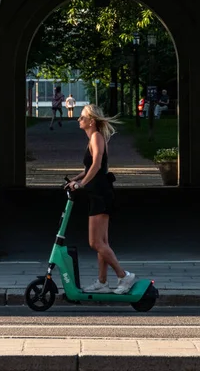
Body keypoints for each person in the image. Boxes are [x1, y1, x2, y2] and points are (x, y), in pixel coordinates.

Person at [66, 104, 136, 294]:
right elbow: (90, 168)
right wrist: (76, 179)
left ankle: (124, 276)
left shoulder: (96, 137)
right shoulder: (93, 138)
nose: (79, 120)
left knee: (95, 243)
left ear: (91, 121)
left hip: (100, 193)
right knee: (102, 242)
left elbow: (96, 164)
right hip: (98, 192)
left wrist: (81, 185)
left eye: (82, 117)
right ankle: (102, 282)